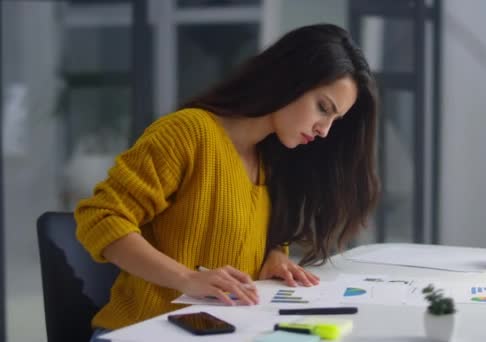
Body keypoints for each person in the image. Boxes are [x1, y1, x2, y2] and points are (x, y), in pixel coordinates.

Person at [75, 23, 379, 338]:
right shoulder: (188, 133)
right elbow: (101, 217)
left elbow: (250, 230)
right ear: (289, 79)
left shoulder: (271, 160)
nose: (324, 130)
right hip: (143, 332)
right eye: (323, 108)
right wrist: (187, 278)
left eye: (334, 119)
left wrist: (274, 254)